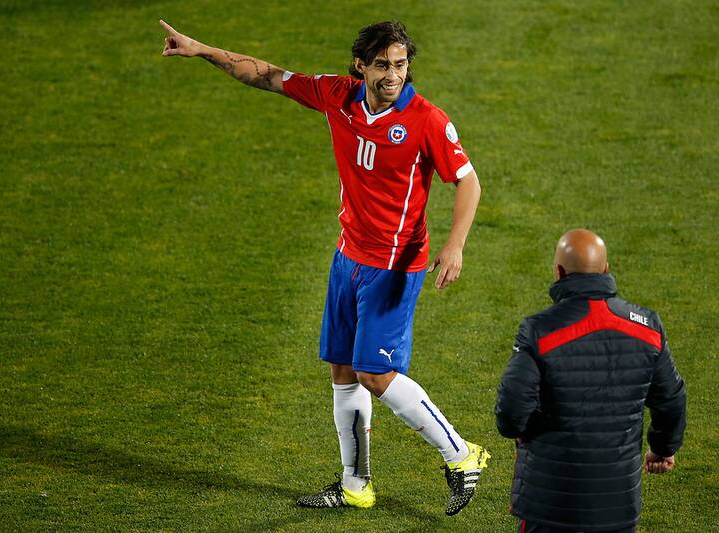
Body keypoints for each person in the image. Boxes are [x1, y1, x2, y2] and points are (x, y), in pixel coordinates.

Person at [159, 19, 488, 516]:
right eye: (382, 65)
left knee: (376, 373)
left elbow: (467, 182)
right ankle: (355, 485)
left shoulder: (427, 120)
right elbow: (267, 75)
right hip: (348, 256)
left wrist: (455, 244)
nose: (393, 75)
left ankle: (462, 455)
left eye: (400, 65)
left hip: (395, 265)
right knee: (342, 368)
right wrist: (201, 49)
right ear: (361, 65)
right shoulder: (337, 96)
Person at [495, 229, 687, 532]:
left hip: (550, 503)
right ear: (606, 269)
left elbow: (510, 412)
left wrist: (527, 434)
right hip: (617, 504)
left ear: (558, 272)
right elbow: (672, 400)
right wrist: (662, 448)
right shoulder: (648, 328)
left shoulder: (539, 330)